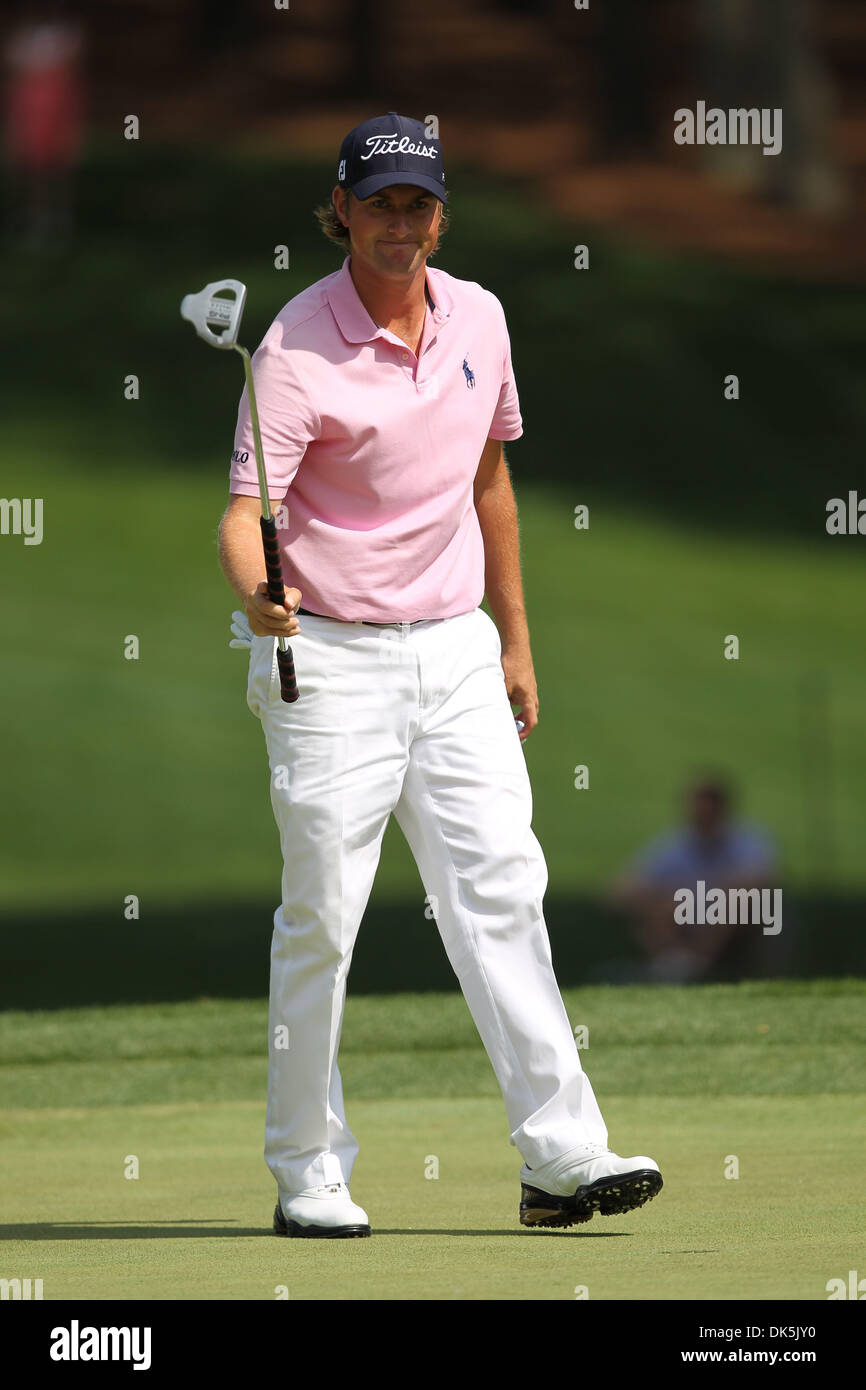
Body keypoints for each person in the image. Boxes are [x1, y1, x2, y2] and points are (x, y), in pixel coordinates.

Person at [218, 112, 662, 1237]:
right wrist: (257, 597)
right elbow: (245, 513)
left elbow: (491, 487)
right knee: (324, 911)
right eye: (378, 206)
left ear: (439, 215)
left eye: (417, 206)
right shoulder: (292, 346)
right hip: (325, 654)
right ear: (341, 214)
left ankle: (560, 1155)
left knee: (501, 889)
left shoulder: (482, 318)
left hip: (456, 645)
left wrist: (513, 641)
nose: (399, 225)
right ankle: (306, 1166)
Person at [611, 775, 779, 982]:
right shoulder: (675, 845)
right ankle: (674, 964)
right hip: (684, 919)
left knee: (734, 902)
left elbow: (760, 882)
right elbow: (623, 887)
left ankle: (700, 965)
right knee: (663, 907)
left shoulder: (748, 841)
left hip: (735, 924)